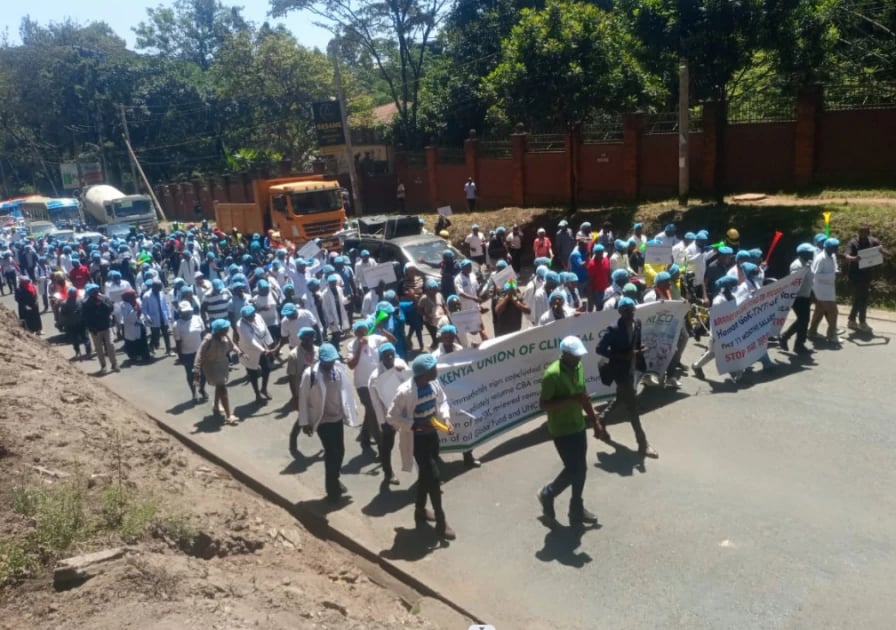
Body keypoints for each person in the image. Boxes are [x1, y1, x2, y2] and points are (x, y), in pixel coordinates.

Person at [536, 336, 605, 527]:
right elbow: (543, 405)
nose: (579, 359)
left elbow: (583, 396)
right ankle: (547, 493)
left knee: (580, 469)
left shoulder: (578, 367)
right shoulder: (552, 375)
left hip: (578, 425)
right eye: (575, 356)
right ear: (565, 355)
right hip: (561, 429)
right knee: (574, 469)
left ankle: (576, 508)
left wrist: (595, 421)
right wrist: (570, 400)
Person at [387, 353, 457, 540]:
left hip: (432, 436)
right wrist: (416, 425)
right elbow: (392, 417)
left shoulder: (433, 384)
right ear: (424, 373)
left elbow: (441, 401)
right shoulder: (405, 392)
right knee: (434, 478)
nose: (436, 370)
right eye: (433, 368)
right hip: (416, 440)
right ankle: (441, 521)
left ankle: (419, 510)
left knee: (427, 476)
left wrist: (447, 419)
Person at [596, 297, 658, 458]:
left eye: (632, 309)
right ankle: (643, 444)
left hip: (632, 368)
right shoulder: (614, 329)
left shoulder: (637, 323)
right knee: (632, 407)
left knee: (621, 397)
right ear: (620, 312)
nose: (630, 313)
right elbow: (600, 349)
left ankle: (602, 418)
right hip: (619, 370)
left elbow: (635, 344)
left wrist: (639, 350)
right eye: (626, 311)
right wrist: (622, 356)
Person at [299, 343, 359, 503]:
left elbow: (346, 391)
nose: (330, 364)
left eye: (332, 361)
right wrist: (305, 422)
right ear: (321, 360)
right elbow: (303, 398)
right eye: (327, 362)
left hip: (337, 417)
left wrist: (352, 409)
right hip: (322, 419)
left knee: (340, 451)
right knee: (331, 453)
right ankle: (332, 489)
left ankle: (335, 479)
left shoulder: (338, 370)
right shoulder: (310, 374)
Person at [368, 342, 411, 487]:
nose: (390, 357)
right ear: (381, 358)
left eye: (392, 354)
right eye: (386, 355)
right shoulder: (374, 377)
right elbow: (376, 403)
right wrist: (383, 422)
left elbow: (412, 381)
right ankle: (388, 473)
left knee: (415, 441)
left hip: (406, 410)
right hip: (389, 415)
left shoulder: (401, 365)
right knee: (387, 445)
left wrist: (402, 372)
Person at [347, 320, 389, 455]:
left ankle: (365, 438)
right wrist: (359, 348)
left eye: (363, 331)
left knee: (371, 411)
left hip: (377, 382)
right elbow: (351, 365)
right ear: (355, 333)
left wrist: (382, 330)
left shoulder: (375, 339)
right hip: (362, 385)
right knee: (373, 411)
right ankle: (380, 443)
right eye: (358, 332)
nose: (361, 334)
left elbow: (392, 341)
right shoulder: (351, 345)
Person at [196, 319, 239, 424]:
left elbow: (233, 346)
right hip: (211, 366)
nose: (228, 329)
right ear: (219, 330)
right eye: (225, 328)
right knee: (222, 387)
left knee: (219, 385)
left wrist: (240, 353)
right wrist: (196, 369)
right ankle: (229, 415)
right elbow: (199, 354)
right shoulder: (208, 339)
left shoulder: (225, 336)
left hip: (222, 364)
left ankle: (216, 405)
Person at [844, 225, 887, 332]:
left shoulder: (873, 241)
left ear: (868, 233)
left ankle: (852, 321)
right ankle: (861, 322)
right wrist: (855, 258)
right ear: (858, 232)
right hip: (855, 275)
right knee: (862, 298)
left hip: (867, 275)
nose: (863, 235)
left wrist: (883, 252)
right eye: (861, 233)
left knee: (860, 298)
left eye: (865, 233)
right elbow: (847, 256)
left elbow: (884, 252)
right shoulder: (853, 243)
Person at [779, 244, 816, 355]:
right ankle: (798, 344)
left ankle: (787, 338)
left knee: (803, 320)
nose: (812, 254)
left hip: (806, 295)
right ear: (803, 254)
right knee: (803, 320)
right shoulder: (797, 265)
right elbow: (794, 282)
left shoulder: (807, 263)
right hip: (798, 297)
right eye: (809, 252)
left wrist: (812, 293)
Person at [287, 327, 318, 457]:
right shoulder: (294, 355)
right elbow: (291, 377)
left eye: (310, 338)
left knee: (318, 414)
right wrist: (295, 396)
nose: (308, 341)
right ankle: (292, 441)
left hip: (316, 390)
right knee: (302, 417)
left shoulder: (318, 351)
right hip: (302, 391)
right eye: (305, 339)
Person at [237, 304, 274, 403]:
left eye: (253, 314)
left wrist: (269, 344)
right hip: (249, 350)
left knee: (267, 368)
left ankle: (264, 389)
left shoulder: (258, 317)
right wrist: (263, 350)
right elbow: (250, 340)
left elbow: (265, 330)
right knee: (253, 373)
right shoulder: (240, 325)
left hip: (262, 346)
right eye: (249, 316)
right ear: (244, 317)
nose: (252, 317)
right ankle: (257, 393)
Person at [174, 301, 207, 403]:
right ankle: (194, 393)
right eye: (184, 312)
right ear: (180, 312)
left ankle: (202, 388)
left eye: (188, 311)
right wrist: (180, 357)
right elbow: (178, 342)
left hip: (200, 351)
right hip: (187, 353)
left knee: (203, 373)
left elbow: (203, 335)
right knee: (190, 374)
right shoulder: (177, 325)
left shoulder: (197, 319)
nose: (187, 313)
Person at [809, 238, 840, 344]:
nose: (836, 249)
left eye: (836, 247)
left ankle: (812, 332)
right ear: (826, 247)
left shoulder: (833, 255)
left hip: (829, 288)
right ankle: (832, 335)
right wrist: (832, 275)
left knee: (819, 311)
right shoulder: (820, 258)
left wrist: (836, 271)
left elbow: (834, 266)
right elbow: (816, 275)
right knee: (833, 311)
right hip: (821, 289)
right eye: (833, 247)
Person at [82, 283, 118, 372]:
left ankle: (114, 364)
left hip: (106, 326)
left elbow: (110, 309)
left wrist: (102, 303)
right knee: (99, 349)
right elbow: (86, 318)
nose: (96, 293)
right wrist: (91, 328)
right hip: (95, 330)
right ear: (90, 293)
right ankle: (103, 366)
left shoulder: (105, 299)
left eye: (96, 291)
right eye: (93, 292)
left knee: (110, 345)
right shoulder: (86, 303)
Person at [142, 279, 173, 356]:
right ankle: (151, 345)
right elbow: (144, 309)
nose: (159, 289)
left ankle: (169, 350)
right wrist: (148, 317)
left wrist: (169, 314)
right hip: (154, 319)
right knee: (155, 335)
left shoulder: (161, 293)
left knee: (166, 334)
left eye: (160, 288)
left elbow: (165, 305)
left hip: (163, 317)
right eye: (158, 288)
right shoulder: (146, 296)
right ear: (153, 287)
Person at [58, 286, 91, 358]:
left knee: (74, 339)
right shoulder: (81, 300)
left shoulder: (64, 303)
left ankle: (77, 352)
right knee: (85, 337)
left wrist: (61, 323)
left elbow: (62, 314)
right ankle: (88, 351)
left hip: (71, 324)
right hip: (81, 322)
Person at [120, 289, 151, 364]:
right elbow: (126, 317)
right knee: (132, 341)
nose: (134, 297)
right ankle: (134, 356)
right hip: (130, 326)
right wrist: (134, 311)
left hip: (139, 323)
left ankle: (145, 355)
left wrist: (140, 319)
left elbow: (142, 312)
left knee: (142, 339)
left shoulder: (137, 301)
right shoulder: (123, 305)